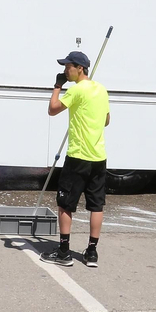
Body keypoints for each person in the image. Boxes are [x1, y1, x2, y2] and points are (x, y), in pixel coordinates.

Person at [42, 49, 109, 268]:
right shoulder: (101, 90)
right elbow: (106, 120)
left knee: (65, 204)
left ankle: (63, 252)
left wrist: (57, 87)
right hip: (99, 157)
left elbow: (52, 110)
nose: (64, 70)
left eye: (68, 66)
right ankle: (91, 252)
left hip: (78, 157)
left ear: (80, 68)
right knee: (96, 205)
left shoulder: (77, 90)